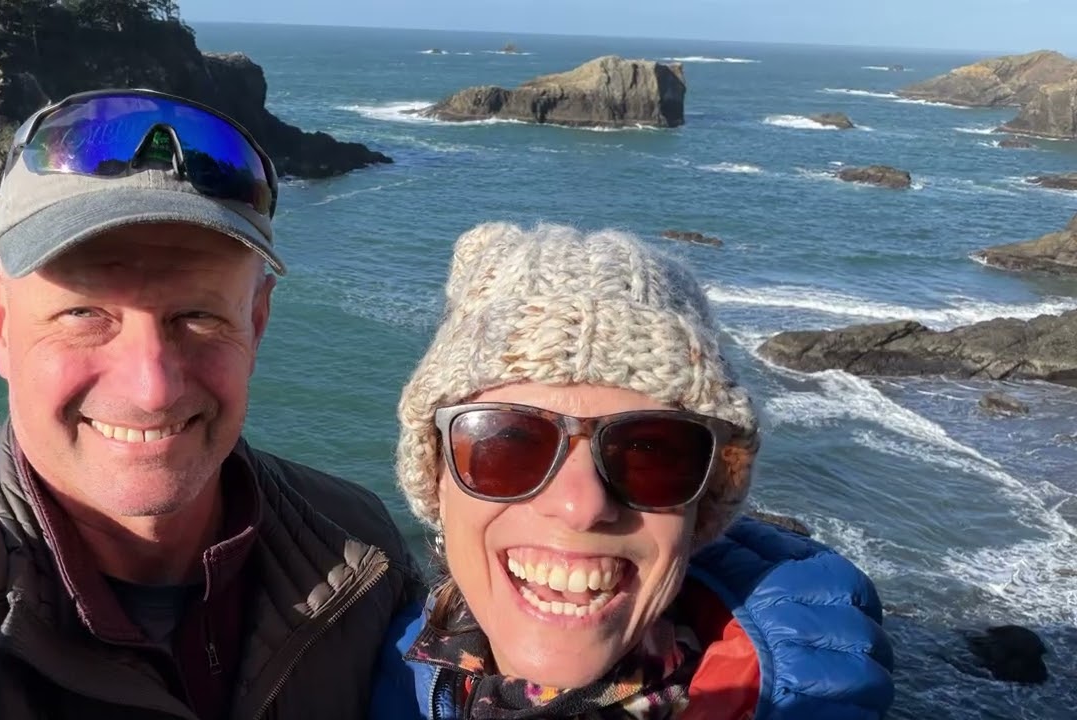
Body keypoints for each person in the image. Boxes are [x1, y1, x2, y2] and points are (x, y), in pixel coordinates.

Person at [0, 89, 423, 719]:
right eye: (84, 313)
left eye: (198, 316)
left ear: (256, 323)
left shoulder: (358, 553)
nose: (152, 389)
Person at [371, 222, 894, 719]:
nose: (582, 505)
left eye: (651, 451)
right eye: (509, 444)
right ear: (437, 476)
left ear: (706, 499)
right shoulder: (372, 669)